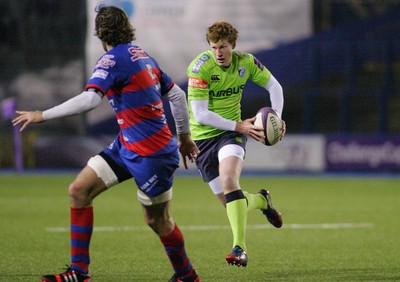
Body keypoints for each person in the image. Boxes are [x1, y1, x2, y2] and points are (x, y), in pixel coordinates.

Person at [12, 5, 200, 282]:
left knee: (158, 221)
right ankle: (79, 273)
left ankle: (187, 275)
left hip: (153, 155)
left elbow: (90, 100)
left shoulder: (111, 60)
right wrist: (183, 138)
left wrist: (43, 114)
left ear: (99, 33)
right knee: (79, 190)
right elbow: (178, 97)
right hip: (127, 147)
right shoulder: (144, 56)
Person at [187, 20, 286, 267]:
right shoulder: (200, 68)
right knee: (231, 201)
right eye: (213, 47)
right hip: (202, 138)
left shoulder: (246, 62)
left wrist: (277, 117)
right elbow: (200, 115)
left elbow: (275, 86)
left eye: (223, 47)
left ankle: (239, 248)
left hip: (231, 134)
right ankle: (262, 201)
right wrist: (238, 125)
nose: (218, 53)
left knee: (230, 181)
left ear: (233, 45)